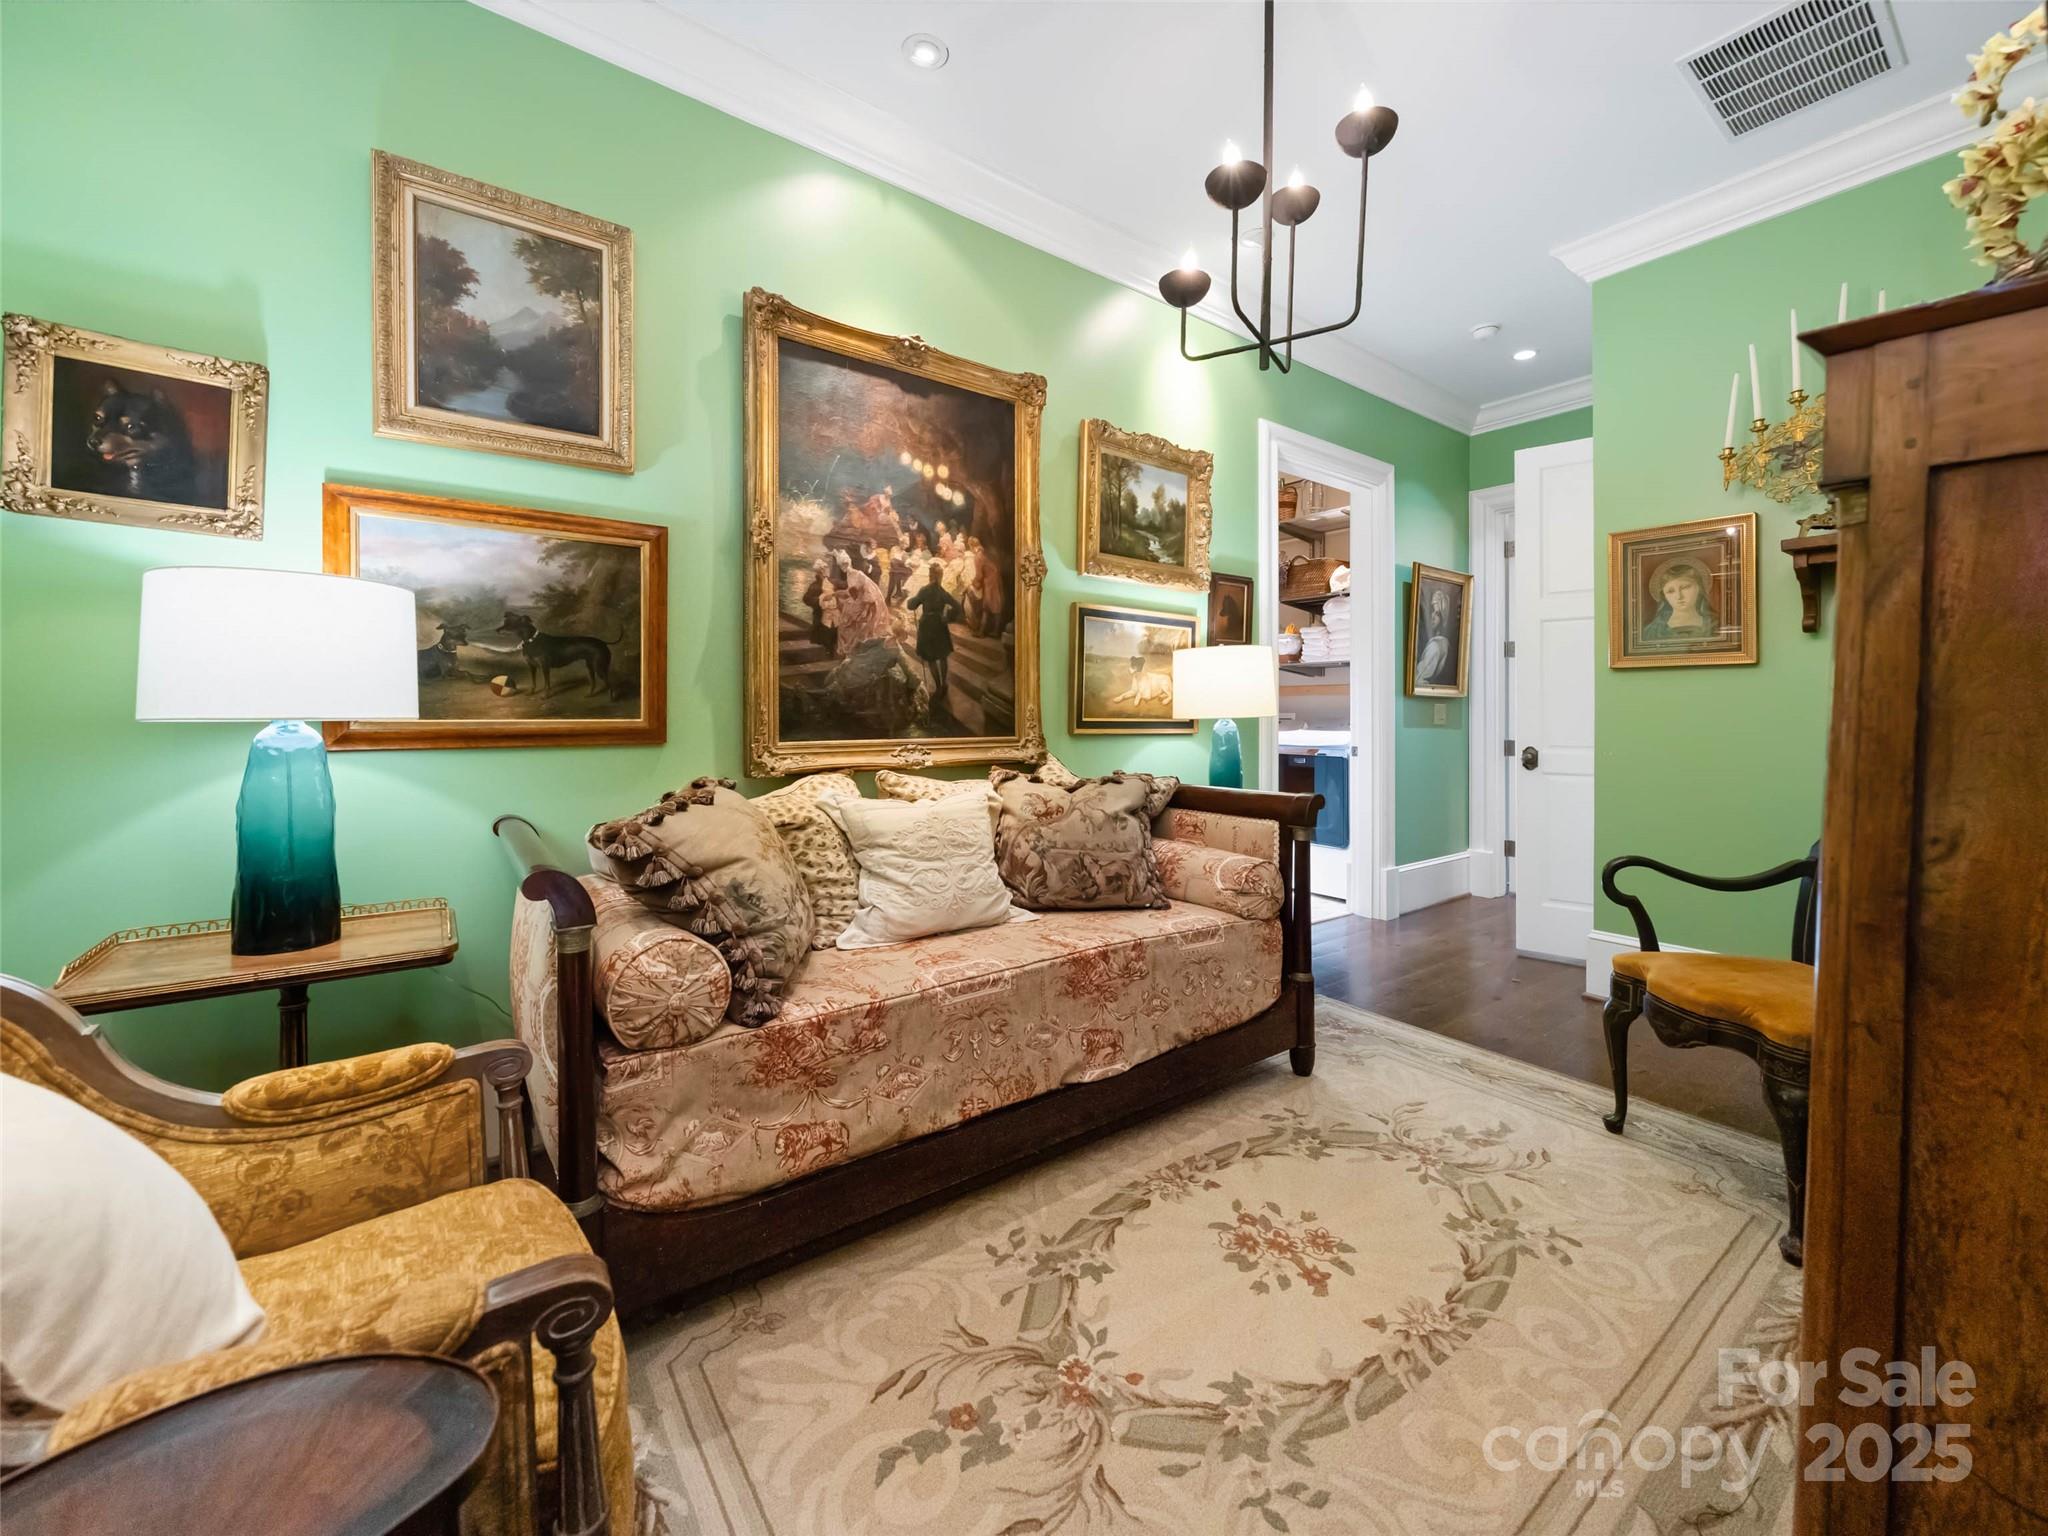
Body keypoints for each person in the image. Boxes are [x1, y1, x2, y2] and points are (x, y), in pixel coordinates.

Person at [907, 559, 964, 701]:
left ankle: (939, 686)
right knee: (942, 656)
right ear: (940, 576)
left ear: (930, 575)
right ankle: (943, 684)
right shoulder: (942, 592)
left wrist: (911, 601)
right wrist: (948, 618)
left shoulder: (924, 590)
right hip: (939, 625)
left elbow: (911, 605)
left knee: (932, 658)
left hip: (927, 625)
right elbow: (958, 606)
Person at [829, 549, 891, 655]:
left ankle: (851, 648)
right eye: (843, 566)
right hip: (859, 602)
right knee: (845, 623)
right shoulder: (850, 575)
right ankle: (849, 648)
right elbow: (851, 592)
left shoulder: (859, 575)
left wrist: (865, 610)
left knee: (850, 625)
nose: (844, 568)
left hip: (866, 604)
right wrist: (836, 594)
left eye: (844, 565)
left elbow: (868, 593)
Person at [1642, 561, 1717, 640]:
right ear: (1664, 596)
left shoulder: (1713, 624)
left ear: (1699, 588)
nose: (1679, 596)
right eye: (1670, 591)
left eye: (1685, 587)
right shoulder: (1653, 630)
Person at [801, 557, 834, 649]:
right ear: (820, 572)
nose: (828, 570)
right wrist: (820, 600)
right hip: (820, 615)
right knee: (822, 639)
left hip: (831, 615)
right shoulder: (815, 586)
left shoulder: (831, 582)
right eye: (826, 568)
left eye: (827, 568)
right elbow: (806, 599)